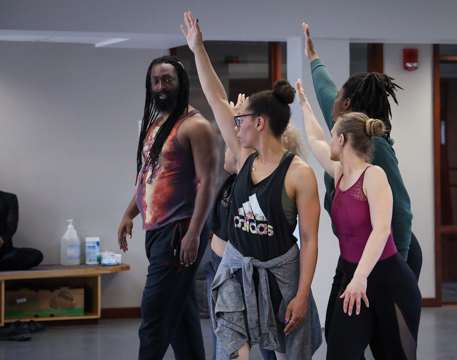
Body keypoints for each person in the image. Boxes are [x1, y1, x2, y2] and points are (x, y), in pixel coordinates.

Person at [181, 12, 322, 360]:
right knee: (232, 352)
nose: (234, 123)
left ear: (259, 122)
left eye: (240, 119)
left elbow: (310, 240)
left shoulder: (299, 174)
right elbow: (216, 99)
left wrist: (302, 294)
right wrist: (198, 50)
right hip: (235, 269)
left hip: (280, 275)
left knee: (291, 351)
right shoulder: (245, 158)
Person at [302, 23, 423, 358]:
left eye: (338, 99)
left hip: (392, 254)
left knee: (388, 347)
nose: (333, 101)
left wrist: (387, 264)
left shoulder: (375, 153)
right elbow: (326, 92)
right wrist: (313, 58)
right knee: (347, 343)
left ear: (349, 106)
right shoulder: (342, 152)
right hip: (357, 260)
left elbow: (398, 214)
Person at [117, 55, 217, 360]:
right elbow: (150, 177)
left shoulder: (196, 126)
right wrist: (128, 213)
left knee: (155, 314)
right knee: (181, 315)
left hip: (180, 231)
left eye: (167, 80)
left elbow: (207, 183)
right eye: (156, 81)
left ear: (181, 83)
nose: (161, 86)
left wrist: (194, 234)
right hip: (157, 230)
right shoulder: (157, 125)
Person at [203, 121, 307, 360]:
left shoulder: (260, 186)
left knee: (272, 342)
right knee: (229, 341)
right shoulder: (236, 181)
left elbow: (307, 239)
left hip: (253, 271)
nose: (232, 148)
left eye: (237, 144)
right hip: (224, 267)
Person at [0, 190, 43, 271]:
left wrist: (2, 239)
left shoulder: (9, 198)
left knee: (36, 255)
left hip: (3, 252)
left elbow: (11, 226)